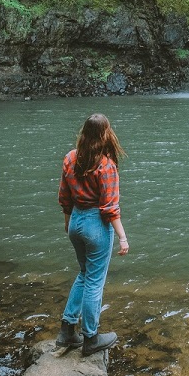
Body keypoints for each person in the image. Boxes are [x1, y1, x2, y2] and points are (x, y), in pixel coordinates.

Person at [56, 113, 130, 355]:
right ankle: (91, 338)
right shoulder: (105, 166)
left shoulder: (70, 158)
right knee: (95, 282)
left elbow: (64, 196)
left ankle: (67, 330)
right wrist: (122, 237)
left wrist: (68, 222)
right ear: (106, 135)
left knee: (84, 274)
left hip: (76, 221)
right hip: (95, 225)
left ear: (84, 133)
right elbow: (110, 208)